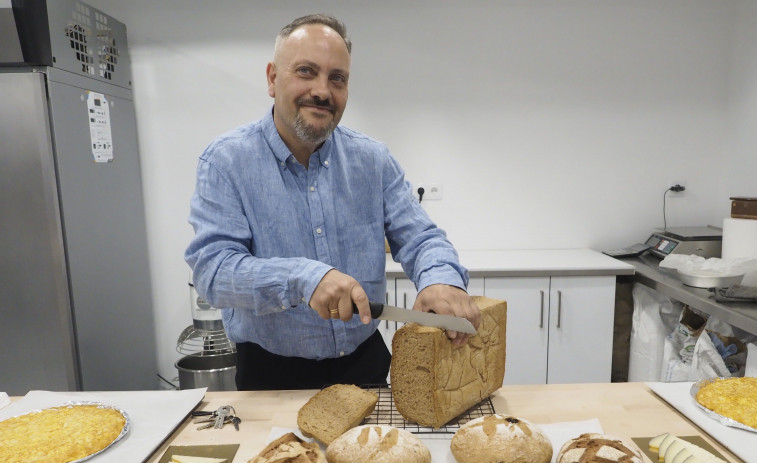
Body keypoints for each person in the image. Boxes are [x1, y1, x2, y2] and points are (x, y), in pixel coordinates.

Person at [184, 13, 481, 391]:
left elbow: (422, 238)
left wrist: (441, 280)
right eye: (306, 71)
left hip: (366, 366)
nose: (323, 91)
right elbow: (213, 272)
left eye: (337, 78)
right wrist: (303, 278)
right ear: (273, 79)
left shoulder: (373, 160)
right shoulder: (225, 161)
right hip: (270, 376)